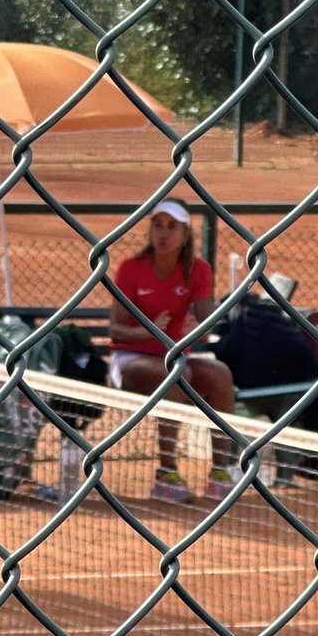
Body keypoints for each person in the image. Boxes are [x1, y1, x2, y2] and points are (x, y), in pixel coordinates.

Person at [108, 198, 238, 503]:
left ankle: (221, 472)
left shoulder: (198, 270)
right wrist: (148, 329)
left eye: (172, 227)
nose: (163, 234)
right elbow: (115, 331)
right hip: (129, 361)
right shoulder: (130, 269)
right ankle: (166, 475)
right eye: (157, 225)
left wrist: (196, 326)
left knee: (220, 374)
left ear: (185, 234)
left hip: (177, 357)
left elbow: (206, 327)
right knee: (178, 373)